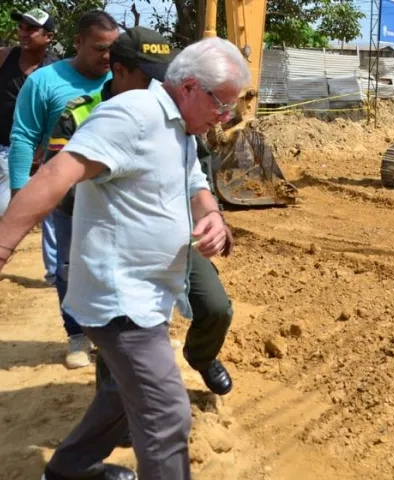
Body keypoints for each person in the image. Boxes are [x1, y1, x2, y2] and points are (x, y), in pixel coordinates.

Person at [0, 36, 249, 480]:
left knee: (120, 393)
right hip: (119, 299)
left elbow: (195, 185)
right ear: (189, 87)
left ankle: (68, 471)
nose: (224, 116)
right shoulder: (133, 114)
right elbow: (58, 172)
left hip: (151, 294)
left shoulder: (182, 130)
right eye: (220, 103)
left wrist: (212, 217)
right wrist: (3, 244)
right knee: (169, 415)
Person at [46, 25, 235, 401]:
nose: (158, 85)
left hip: (172, 235)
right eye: (149, 75)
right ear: (118, 71)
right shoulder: (84, 114)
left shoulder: (174, 116)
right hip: (113, 244)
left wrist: (211, 214)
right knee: (120, 328)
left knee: (215, 307)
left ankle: (200, 354)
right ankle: (114, 412)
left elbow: (196, 175)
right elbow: (60, 187)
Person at [8, 10, 119, 369]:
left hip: (117, 194)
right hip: (66, 195)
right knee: (67, 267)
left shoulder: (126, 77)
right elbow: (24, 137)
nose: (107, 57)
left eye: (112, 50)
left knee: (117, 264)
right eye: (100, 49)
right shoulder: (44, 82)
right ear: (78, 42)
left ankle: (117, 334)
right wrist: (21, 192)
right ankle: (77, 335)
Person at [0, 7, 59, 215]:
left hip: (21, 153)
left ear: (48, 37)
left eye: (31, 29)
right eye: (21, 27)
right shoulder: (5, 57)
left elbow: (57, 114)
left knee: (7, 211)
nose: (23, 33)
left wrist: (43, 148)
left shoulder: (55, 71)